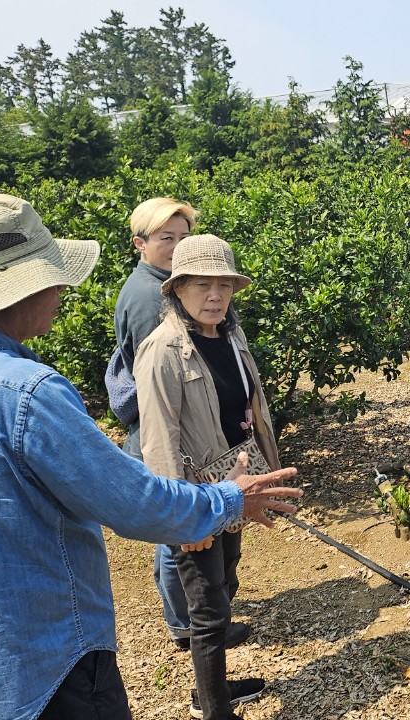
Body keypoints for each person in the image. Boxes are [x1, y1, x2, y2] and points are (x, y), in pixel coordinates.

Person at [0, 194, 302, 720]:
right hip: (53, 662)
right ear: (18, 289)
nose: (61, 289)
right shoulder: (28, 393)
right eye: (51, 276)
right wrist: (229, 499)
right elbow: (134, 502)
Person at [135, 234, 280, 720]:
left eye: (224, 285)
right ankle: (214, 709)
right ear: (177, 289)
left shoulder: (229, 336)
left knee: (226, 583)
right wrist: (182, 520)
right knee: (207, 609)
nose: (215, 295)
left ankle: (211, 687)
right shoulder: (162, 351)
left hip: (237, 483)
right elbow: (160, 442)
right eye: (202, 285)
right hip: (198, 496)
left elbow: (250, 410)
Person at [111, 197, 251, 654]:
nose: (175, 246)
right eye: (165, 238)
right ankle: (189, 627)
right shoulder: (158, 305)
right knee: (186, 546)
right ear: (141, 244)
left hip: (201, 448)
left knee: (206, 548)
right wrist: (182, 516)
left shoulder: (198, 310)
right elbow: (167, 403)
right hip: (178, 446)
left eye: (183, 237)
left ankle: (197, 622)